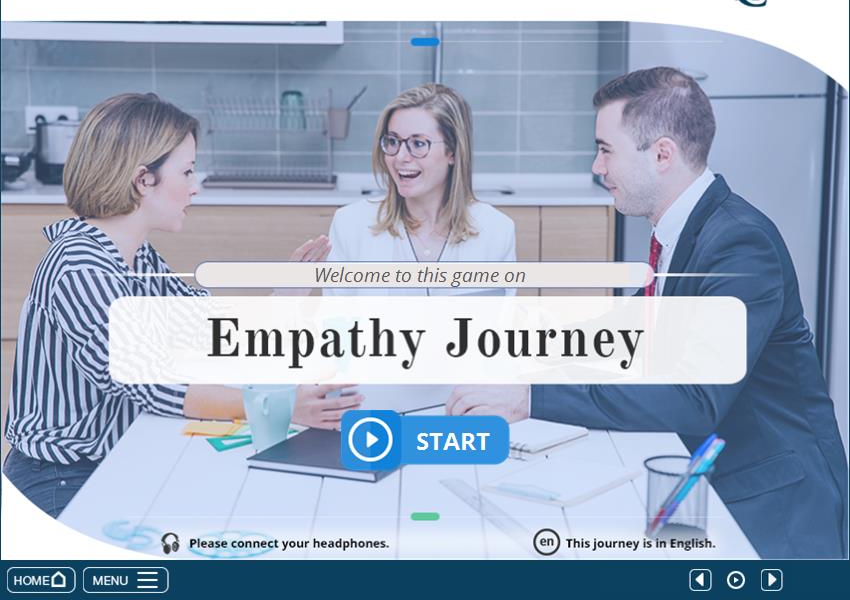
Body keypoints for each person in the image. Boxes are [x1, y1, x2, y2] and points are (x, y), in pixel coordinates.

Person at [447, 67, 848, 559]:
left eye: (606, 150)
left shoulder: (740, 244)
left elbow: (695, 396)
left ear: (661, 154)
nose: (597, 166)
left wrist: (530, 398)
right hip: (709, 478)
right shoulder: (685, 233)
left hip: (776, 507)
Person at [2, 93, 361, 518]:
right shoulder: (80, 269)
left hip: (115, 459)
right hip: (58, 479)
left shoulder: (136, 255)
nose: (195, 185)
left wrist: (284, 298)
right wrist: (279, 406)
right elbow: (155, 385)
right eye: (187, 171)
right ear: (143, 180)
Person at [324, 83, 516, 294]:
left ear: (452, 151)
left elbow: (501, 314)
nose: (400, 157)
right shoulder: (350, 225)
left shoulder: (497, 231)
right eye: (393, 141)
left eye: (418, 144)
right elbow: (336, 314)